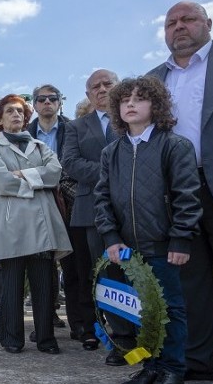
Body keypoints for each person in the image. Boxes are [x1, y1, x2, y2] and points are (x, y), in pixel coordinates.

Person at [93, 76, 200, 384]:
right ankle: (151, 366)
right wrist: (111, 238)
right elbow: (102, 199)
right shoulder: (111, 153)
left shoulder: (175, 145)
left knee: (170, 309)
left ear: (156, 105)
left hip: (164, 245)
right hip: (127, 250)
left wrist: (181, 237)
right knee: (142, 310)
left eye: (139, 98)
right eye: (125, 99)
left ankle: (173, 368)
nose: (130, 103)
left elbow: (186, 196)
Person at [148, 1, 213, 382]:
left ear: (208, 24)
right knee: (190, 281)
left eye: (188, 19)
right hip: (177, 195)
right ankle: (199, 364)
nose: (179, 27)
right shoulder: (151, 80)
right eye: (171, 23)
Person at [0, 94, 72, 355]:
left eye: (20, 111)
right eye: (10, 111)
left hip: (43, 224)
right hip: (12, 224)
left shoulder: (41, 146)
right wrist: (37, 179)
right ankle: (11, 338)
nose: (16, 115)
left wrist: (22, 175)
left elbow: (55, 173)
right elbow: (0, 182)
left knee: (44, 285)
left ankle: (46, 338)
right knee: (10, 285)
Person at [63, 69, 136, 365]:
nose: (102, 89)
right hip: (91, 211)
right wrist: (111, 172)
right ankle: (122, 340)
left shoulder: (134, 117)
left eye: (108, 84)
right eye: (96, 86)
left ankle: (150, 331)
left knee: (139, 271)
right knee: (107, 274)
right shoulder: (77, 126)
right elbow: (70, 163)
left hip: (136, 208)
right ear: (88, 94)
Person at [27, 84, 96, 348]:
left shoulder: (74, 128)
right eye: (41, 99)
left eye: (52, 99)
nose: (47, 103)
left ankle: (80, 324)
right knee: (40, 267)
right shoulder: (25, 134)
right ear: (34, 105)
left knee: (75, 265)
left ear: (59, 103)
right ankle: (43, 325)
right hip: (36, 205)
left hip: (71, 202)